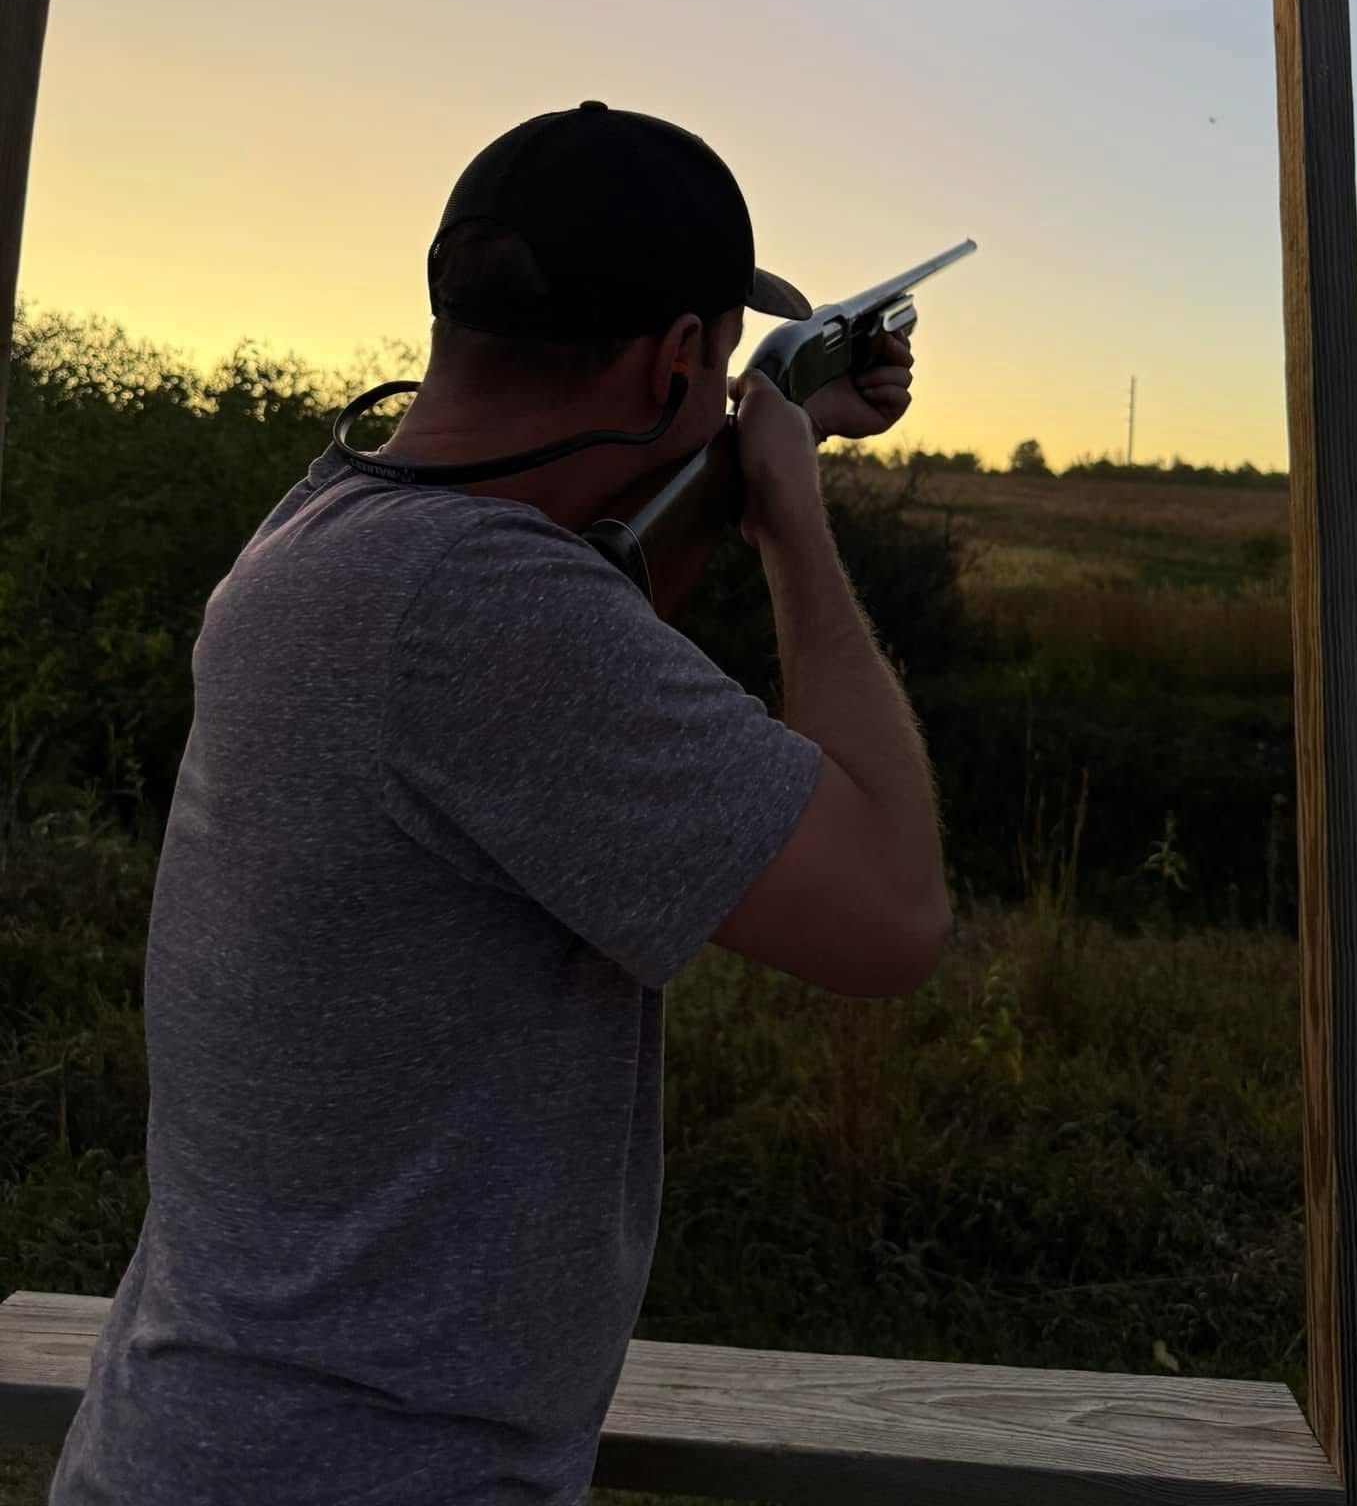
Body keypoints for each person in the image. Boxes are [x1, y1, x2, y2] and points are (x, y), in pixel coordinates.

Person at [50, 102, 950, 1506]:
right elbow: (891, 914)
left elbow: (586, 646)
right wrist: (788, 517)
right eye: (717, 361)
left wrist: (756, 445)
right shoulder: (473, 613)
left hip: (220, 1436)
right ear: (673, 362)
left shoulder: (331, 523)